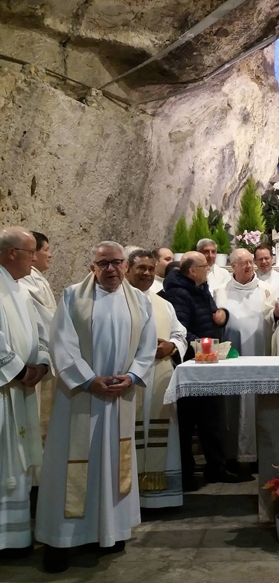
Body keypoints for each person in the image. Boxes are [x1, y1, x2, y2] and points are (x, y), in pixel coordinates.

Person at [36, 241, 157, 573]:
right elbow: (62, 342)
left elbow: (147, 346)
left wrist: (132, 376)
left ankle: (110, 532)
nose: (111, 269)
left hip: (119, 398)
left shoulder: (139, 302)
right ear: (92, 267)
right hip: (81, 399)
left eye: (117, 263)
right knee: (69, 465)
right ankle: (61, 540)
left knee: (114, 464)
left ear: (124, 265)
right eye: (103, 264)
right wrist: (89, 380)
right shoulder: (73, 296)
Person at [162, 251, 243, 488]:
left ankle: (216, 468)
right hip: (190, 364)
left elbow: (212, 315)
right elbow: (181, 329)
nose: (209, 267)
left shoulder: (201, 287)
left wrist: (223, 316)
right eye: (204, 265)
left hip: (206, 360)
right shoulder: (179, 293)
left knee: (211, 418)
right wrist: (202, 345)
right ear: (191, 271)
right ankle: (186, 473)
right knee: (188, 422)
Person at [0, 227, 50, 558]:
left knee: (17, 462)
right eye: (30, 251)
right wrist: (19, 370)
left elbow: (41, 330)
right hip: (5, 389)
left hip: (21, 387)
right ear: (10, 253)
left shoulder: (18, 288)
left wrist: (42, 363)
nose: (35, 257)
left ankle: (16, 538)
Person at [125, 250, 187, 509]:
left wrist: (171, 346)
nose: (147, 273)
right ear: (127, 269)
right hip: (129, 381)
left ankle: (162, 497)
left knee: (162, 433)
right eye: (141, 268)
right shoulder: (119, 301)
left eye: (151, 268)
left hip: (160, 376)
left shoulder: (164, 303)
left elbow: (180, 334)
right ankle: (129, 499)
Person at [214, 248, 271, 467]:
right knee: (231, 404)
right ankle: (231, 454)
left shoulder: (266, 290)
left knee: (258, 403)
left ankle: (260, 455)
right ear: (233, 267)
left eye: (250, 262)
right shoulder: (219, 292)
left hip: (260, 356)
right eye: (243, 262)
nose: (248, 266)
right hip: (230, 359)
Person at [20, 231, 57, 440]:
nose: (49, 255)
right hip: (33, 358)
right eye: (46, 250)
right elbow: (46, 320)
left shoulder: (36, 278)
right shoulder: (29, 278)